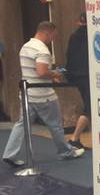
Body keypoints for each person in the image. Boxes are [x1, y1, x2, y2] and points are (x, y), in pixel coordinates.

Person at [2, 21, 84, 167]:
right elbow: (41, 72)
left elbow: (35, 71)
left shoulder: (25, 47)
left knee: (21, 124)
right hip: (44, 96)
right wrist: (55, 74)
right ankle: (65, 151)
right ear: (48, 32)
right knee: (55, 125)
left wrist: (51, 75)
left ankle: (10, 153)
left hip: (27, 95)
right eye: (53, 35)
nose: (53, 39)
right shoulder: (42, 50)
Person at [65, 13, 90, 149]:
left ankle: (75, 138)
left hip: (76, 75)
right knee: (90, 108)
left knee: (89, 106)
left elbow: (68, 55)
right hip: (88, 75)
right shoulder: (91, 35)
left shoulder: (74, 36)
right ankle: (74, 138)